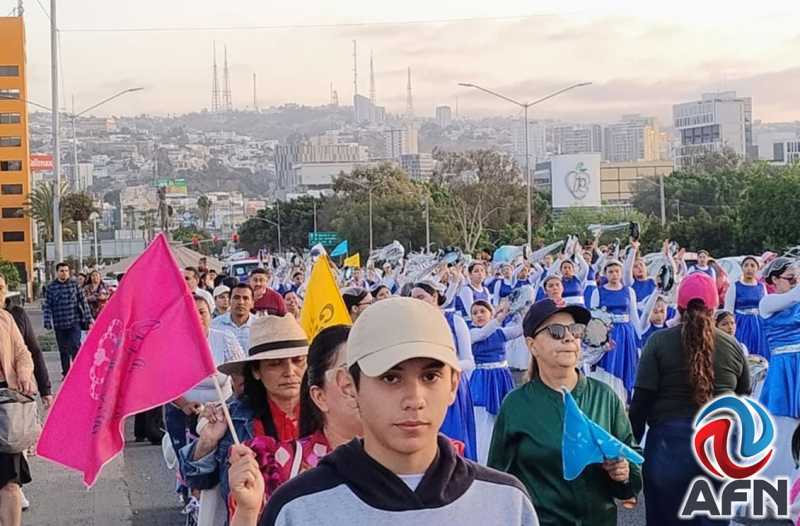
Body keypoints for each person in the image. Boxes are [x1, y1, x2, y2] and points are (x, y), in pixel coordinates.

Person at [229, 297, 539, 526]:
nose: (414, 399)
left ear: (454, 384)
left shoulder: (506, 504)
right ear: (349, 386)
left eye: (430, 376)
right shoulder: (298, 509)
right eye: (390, 378)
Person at [488, 299, 641, 526]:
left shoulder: (605, 396)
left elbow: (632, 456)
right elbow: (498, 481)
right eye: (556, 332)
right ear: (532, 345)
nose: (569, 338)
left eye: (575, 330)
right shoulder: (515, 405)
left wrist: (624, 472)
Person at [630, 272, 749, 526]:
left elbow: (641, 401)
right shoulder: (733, 347)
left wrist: (628, 448)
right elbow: (742, 398)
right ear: (714, 308)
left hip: (667, 448)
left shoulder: (658, 342)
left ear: (679, 307)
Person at [228, 326, 360, 523]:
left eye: (388, 376)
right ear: (319, 395)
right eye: (349, 373)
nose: (289, 372)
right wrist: (247, 510)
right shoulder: (268, 463)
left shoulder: (406, 461)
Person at [181, 314, 309, 509]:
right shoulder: (232, 419)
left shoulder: (330, 412)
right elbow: (197, 481)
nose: (290, 372)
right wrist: (207, 443)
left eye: (298, 361)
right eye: (275, 363)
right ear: (256, 371)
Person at [166, 294, 245, 508]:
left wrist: (237, 404)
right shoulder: (171, 343)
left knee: (221, 458)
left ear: (211, 315)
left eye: (202, 312)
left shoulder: (224, 338)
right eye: (191, 313)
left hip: (221, 412)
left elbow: (239, 373)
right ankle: (191, 499)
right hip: (183, 411)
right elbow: (164, 382)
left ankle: (217, 503)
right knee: (190, 458)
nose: (197, 317)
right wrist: (184, 404)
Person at [410, 281, 478, 461]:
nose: (417, 301)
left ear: (434, 296)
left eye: (421, 297)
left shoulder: (455, 322)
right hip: (422, 387)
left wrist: (445, 366)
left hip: (451, 387)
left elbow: (469, 361)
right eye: (413, 298)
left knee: (452, 439)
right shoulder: (413, 326)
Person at [757, 257, 800, 482]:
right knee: (783, 427)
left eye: (797, 278)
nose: (795, 282)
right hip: (784, 367)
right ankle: (776, 482)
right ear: (774, 279)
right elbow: (793, 297)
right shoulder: (768, 302)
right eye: (790, 278)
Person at [468, 299, 522, 463]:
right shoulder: (472, 333)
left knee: (503, 414)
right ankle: (483, 457)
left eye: (482, 311)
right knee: (482, 418)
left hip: (501, 378)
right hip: (482, 380)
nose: (479, 315)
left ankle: (504, 454)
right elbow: (484, 334)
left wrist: (521, 310)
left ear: (490, 313)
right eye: (475, 313)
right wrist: (499, 318)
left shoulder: (500, 332)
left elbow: (520, 330)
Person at [0, 282, 36, 526]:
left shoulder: (6, 319)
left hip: (6, 405)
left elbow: (24, 352)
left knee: (10, 482)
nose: (1, 293)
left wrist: (23, 372)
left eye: (1, 288)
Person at [590, 260, 642, 403]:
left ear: (621, 273)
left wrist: (639, 339)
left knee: (625, 365)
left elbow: (634, 316)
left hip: (625, 334)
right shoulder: (598, 291)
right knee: (608, 364)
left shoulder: (629, 291)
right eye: (611, 272)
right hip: (608, 334)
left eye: (617, 271)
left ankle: (623, 399)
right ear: (605, 274)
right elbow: (594, 317)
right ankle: (607, 397)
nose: (614, 274)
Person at [43, 262, 93, 377]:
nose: (64, 273)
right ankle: (66, 373)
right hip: (59, 323)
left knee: (75, 346)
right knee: (63, 350)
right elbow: (47, 305)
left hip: (74, 321)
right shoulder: (51, 287)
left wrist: (89, 318)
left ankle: (77, 371)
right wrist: (47, 320)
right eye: (62, 271)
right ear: (57, 272)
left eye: (66, 271)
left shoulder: (74, 285)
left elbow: (83, 301)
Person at [723, 256, 769, 359]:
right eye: (746, 265)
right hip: (741, 324)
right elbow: (728, 310)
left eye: (752, 266)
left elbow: (765, 307)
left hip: (758, 324)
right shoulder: (735, 286)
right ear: (742, 268)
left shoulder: (761, 287)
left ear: (757, 269)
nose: (749, 268)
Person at [212, 284, 256, 357]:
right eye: (236, 298)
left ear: (252, 303)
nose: (241, 302)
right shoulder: (215, 325)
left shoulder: (259, 325)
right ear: (229, 301)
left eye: (245, 298)